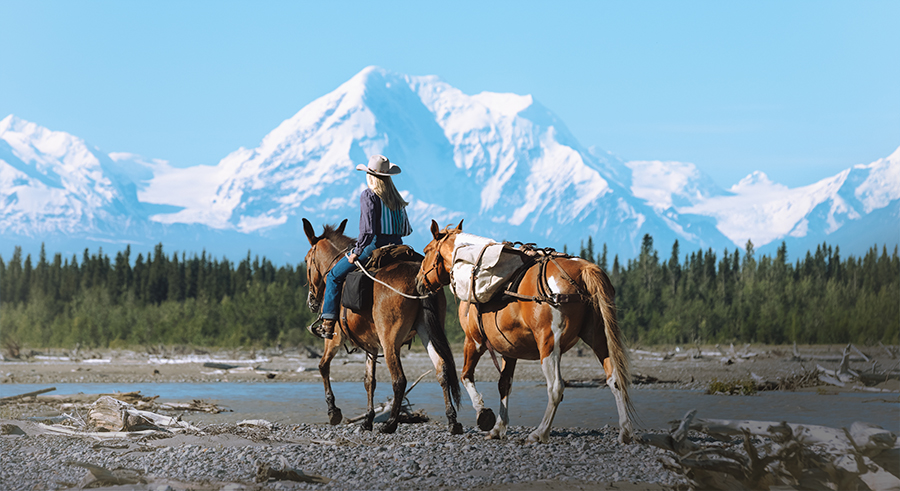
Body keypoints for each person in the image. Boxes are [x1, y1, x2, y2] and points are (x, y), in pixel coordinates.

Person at [311, 154, 413, 339]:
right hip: (398, 246)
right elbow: (406, 230)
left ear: (370, 176)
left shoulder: (369, 195)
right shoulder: (397, 198)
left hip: (374, 247)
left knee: (333, 275)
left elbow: (367, 232)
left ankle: (327, 324)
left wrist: (356, 253)